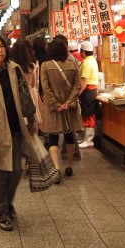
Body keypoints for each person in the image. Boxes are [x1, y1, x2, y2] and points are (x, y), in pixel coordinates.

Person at [0, 32, 39, 232]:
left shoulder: (15, 69)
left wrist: (32, 120)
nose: (0, 50)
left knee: (17, 171)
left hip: (15, 128)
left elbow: (25, 96)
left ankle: (7, 203)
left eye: (1, 46)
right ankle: (1, 213)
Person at [40, 37, 81, 179]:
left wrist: (56, 104)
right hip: (69, 108)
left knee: (53, 137)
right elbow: (77, 86)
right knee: (70, 136)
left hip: (53, 108)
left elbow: (46, 88)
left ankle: (56, 168)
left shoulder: (45, 66)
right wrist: (68, 103)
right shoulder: (72, 65)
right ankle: (69, 166)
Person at [78, 40, 99, 149]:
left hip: (88, 91)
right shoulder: (92, 60)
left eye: (81, 51)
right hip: (91, 91)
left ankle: (89, 140)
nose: (80, 53)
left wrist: (78, 93)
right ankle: (86, 139)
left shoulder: (86, 63)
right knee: (87, 114)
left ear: (83, 51)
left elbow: (84, 81)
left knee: (88, 115)